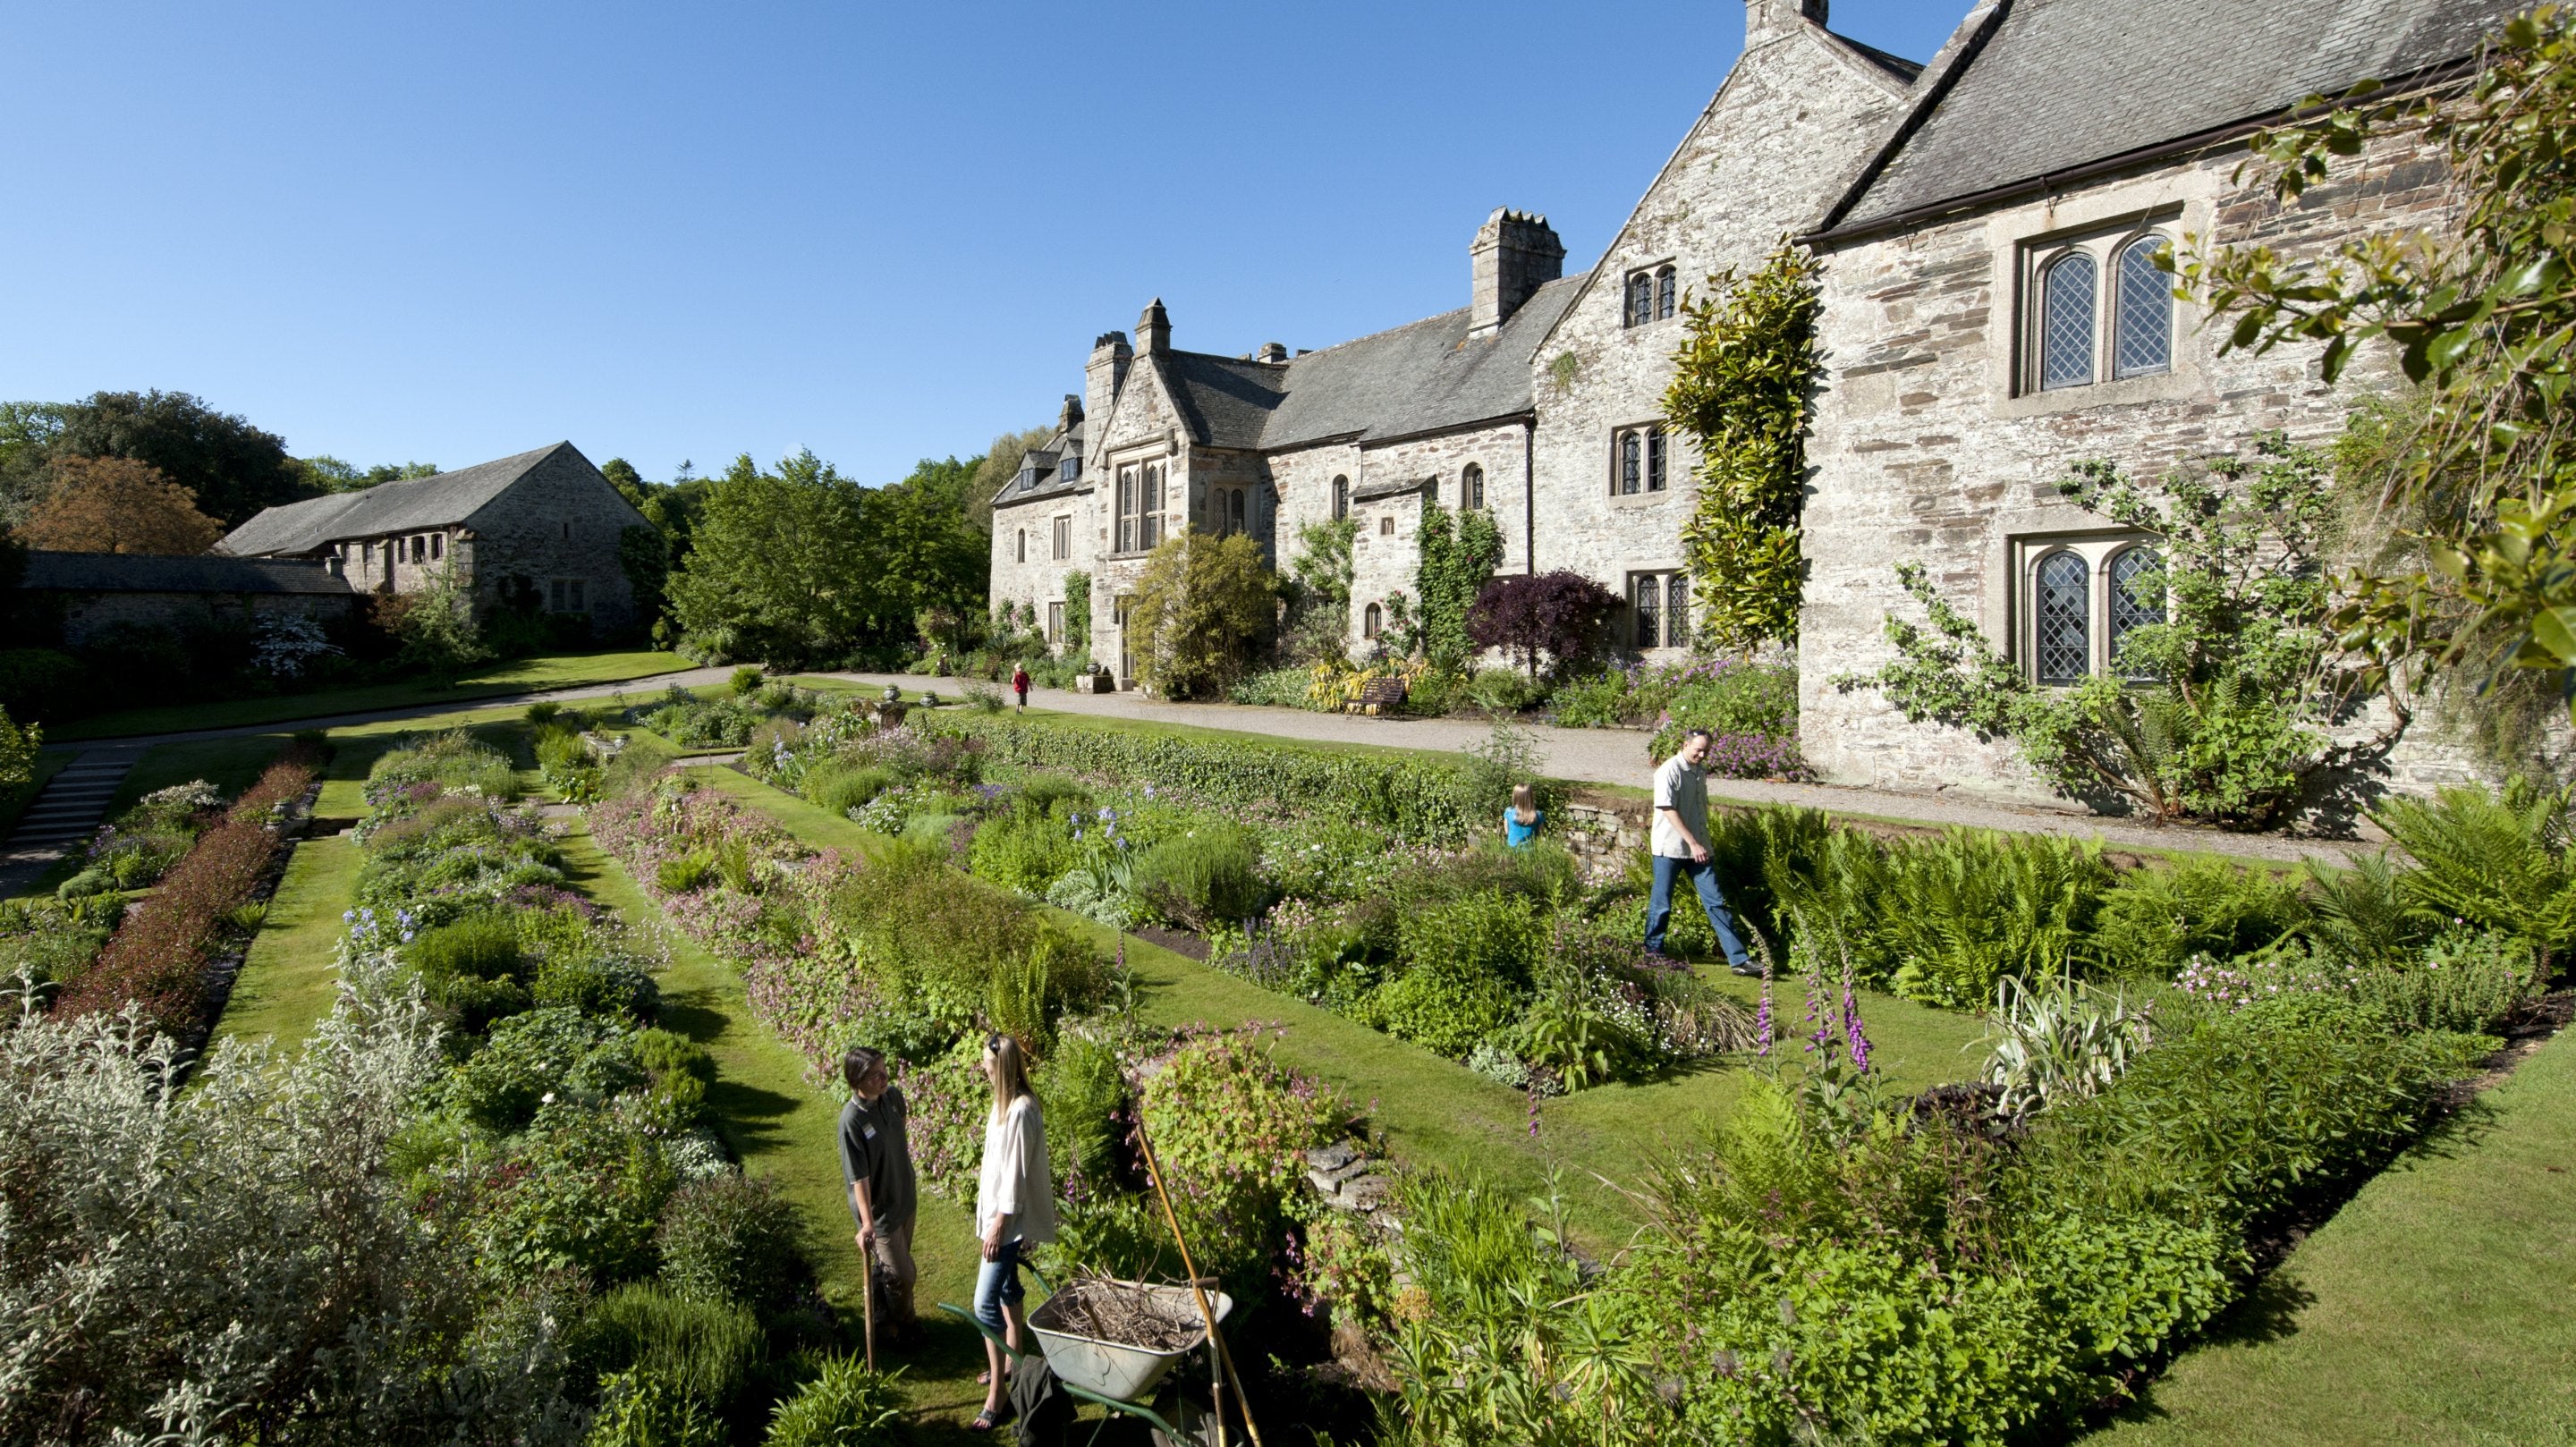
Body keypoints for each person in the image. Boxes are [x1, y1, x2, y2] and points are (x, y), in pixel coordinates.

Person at [970, 1033, 1054, 1432]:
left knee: (983, 1305)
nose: (984, 1074)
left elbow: (1017, 1178)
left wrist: (1000, 1225)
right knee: (1007, 1290)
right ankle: (1012, 1362)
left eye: (988, 1069)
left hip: (1003, 1226)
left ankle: (998, 1396)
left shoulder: (1021, 1110)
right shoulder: (1003, 1105)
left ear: (1001, 1070)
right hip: (994, 1220)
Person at [1644, 728, 1758, 975]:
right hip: (1669, 848)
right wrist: (1693, 842)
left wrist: (1701, 843)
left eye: (1706, 750)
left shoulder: (1700, 770)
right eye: (1698, 749)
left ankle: (1739, 960)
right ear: (1685, 745)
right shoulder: (1668, 770)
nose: (1703, 754)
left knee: (1716, 902)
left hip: (1698, 850)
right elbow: (1668, 809)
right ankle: (1652, 953)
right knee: (1661, 903)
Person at [836, 1046, 919, 1347]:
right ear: (857, 1080)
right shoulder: (852, 1122)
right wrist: (867, 1224)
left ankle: (885, 1325)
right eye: (875, 1075)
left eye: (884, 1070)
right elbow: (858, 1177)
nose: (885, 1077)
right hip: (880, 1212)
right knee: (901, 1274)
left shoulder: (893, 1098)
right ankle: (908, 1323)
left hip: (904, 1199)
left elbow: (898, 1137)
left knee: (887, 1270)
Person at [1504, 782, 1544, 848]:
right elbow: (1540, 834)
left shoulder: (1509, 812)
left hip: (1511, 850)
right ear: (1531, 797)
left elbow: (1507, 831)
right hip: (1530, 851)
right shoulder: (1538, 815)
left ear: (1515, 796)